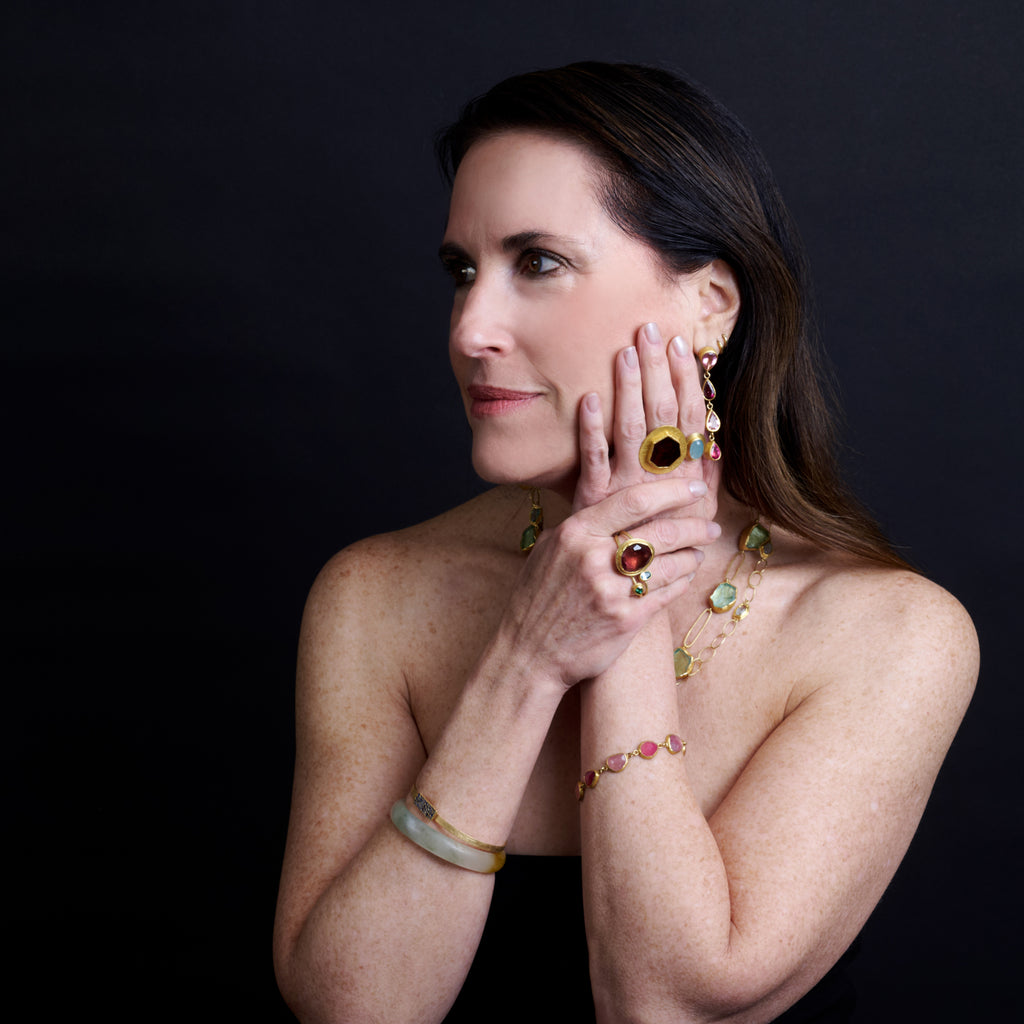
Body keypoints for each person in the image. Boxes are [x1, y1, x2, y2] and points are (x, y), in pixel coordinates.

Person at [272, 62, 977, 1023]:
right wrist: (526, 660)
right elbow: (355, 1010)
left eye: (538, 262)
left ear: (710, 304)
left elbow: (662, 1005)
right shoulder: (376, 594)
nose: (471, 329)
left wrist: (627, 581)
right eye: (462, 271)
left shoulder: (890, 635)